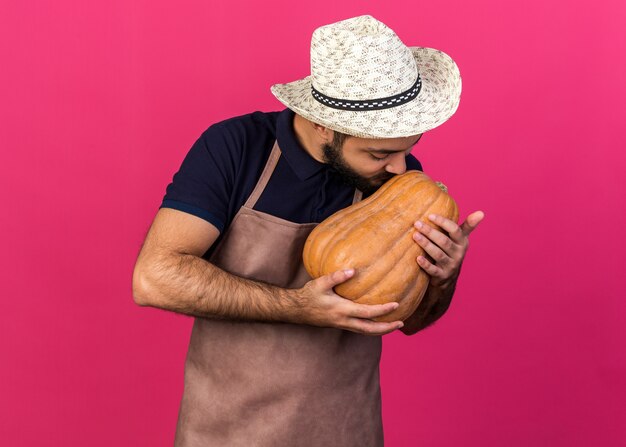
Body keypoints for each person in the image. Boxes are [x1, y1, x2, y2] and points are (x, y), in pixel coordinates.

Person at [132, 15, 484, 447]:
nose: (400, 167)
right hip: (227, 433)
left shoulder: (399, 180)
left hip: (348, 431)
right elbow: (155, 278)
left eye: (408, 149)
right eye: (378, 153)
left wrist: (443, 277)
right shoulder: (235, 148)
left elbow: (410, 321)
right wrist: (297, 307)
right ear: (322, 125)